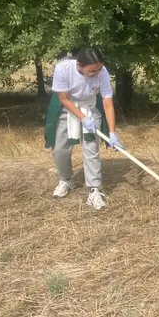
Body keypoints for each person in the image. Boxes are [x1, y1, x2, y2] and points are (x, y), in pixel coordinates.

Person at [43, 47, 123, 210]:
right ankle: (66, 180)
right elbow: (63, 99)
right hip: (66, 109)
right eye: (91, 71)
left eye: (99, 69)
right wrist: (83, 118)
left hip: (91, 108)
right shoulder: (63, 68)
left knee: (91, 149)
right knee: (60, 149)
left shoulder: (103, 72)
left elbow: (107, 102)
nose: (96, 73)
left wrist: (113, 133)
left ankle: (95, 189)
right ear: (79, 65)